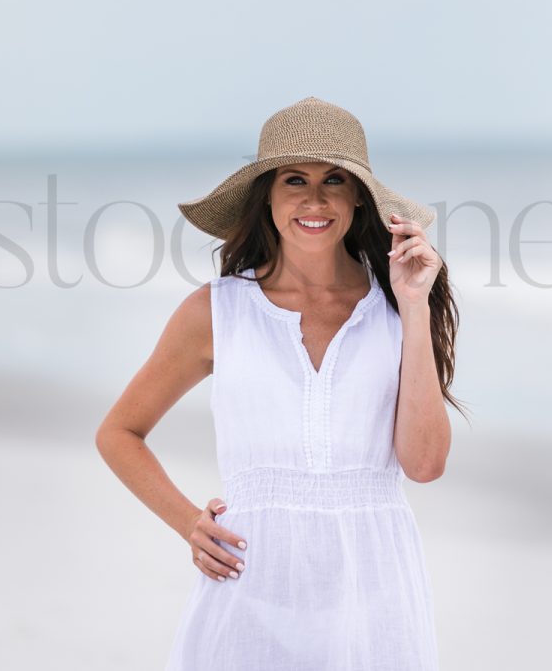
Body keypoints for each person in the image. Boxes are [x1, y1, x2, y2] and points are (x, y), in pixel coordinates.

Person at [96, 95, 467, 671]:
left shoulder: (399, 311)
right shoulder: (215, 312)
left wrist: (415, 307)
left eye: (335, 180)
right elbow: (119, 431)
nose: (314, 199)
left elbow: (424, 465)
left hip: (373, 598)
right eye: (295, 179)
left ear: (357, 199)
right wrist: (188, 522)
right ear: (266, 195)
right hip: (253, 592)